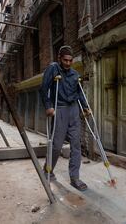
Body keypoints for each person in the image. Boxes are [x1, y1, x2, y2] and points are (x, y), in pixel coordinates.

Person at [39, 45, 91, 191]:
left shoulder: (75, 74)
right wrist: (48, 106)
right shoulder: (53, 69)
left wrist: (85, 106)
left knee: (76, 144)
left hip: (74, 110)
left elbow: (79, 92)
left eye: (70, 60)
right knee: (56, 145)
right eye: (65, 60)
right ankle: (48, 169)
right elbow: (43, 89)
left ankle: (75, 178)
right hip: (60, 109)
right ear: (60, 59)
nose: (68, 63)